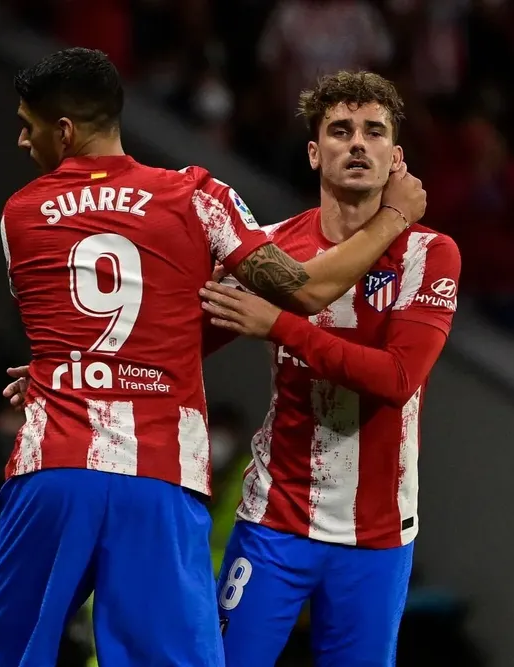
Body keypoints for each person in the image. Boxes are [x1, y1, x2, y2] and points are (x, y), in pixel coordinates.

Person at [0, 48, 425, 667]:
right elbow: (305, 290)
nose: (22, 139)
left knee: (9, 656)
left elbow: (111, 326)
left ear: (63, 131)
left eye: (27, 125)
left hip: (52, 465)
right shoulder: (197, 195)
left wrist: (62, 369)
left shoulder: (20, 213)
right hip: (163, 478)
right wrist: (396, 216)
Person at [196, 71, 460, 667]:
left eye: (374, 131)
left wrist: (280, 324)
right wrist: (73, 366)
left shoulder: (430, 253)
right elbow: (181, 340)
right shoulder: (267, 252)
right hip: (275, 519)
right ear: (315, 153)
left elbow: (397, 379)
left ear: (396, 157)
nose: (358, 143)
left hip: (378, 534)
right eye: (340, 130)